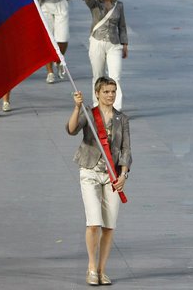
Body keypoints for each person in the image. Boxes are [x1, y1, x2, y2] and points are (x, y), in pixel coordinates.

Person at [67, 78, 131, 286]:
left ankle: (103, 270)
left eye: (113, 91)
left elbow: (125, 150)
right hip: (90, 171)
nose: (110, 95)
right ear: (97, 93)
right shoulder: (89, 113)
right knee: (94, 222)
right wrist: (77, 108)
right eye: (106, 91)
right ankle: (91, 267)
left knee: (109, 226)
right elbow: (72, 129)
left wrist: (123, 176)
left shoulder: (123, 119)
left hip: (112, 176)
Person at [83, 0, 128, 111]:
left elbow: (122, 26)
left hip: (114, 44)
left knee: (115, 76)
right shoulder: (96, 3)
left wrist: (125, 44)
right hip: (97, 42)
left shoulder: (118, 5)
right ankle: (98, 106)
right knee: (98, 76)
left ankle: (116, 108)